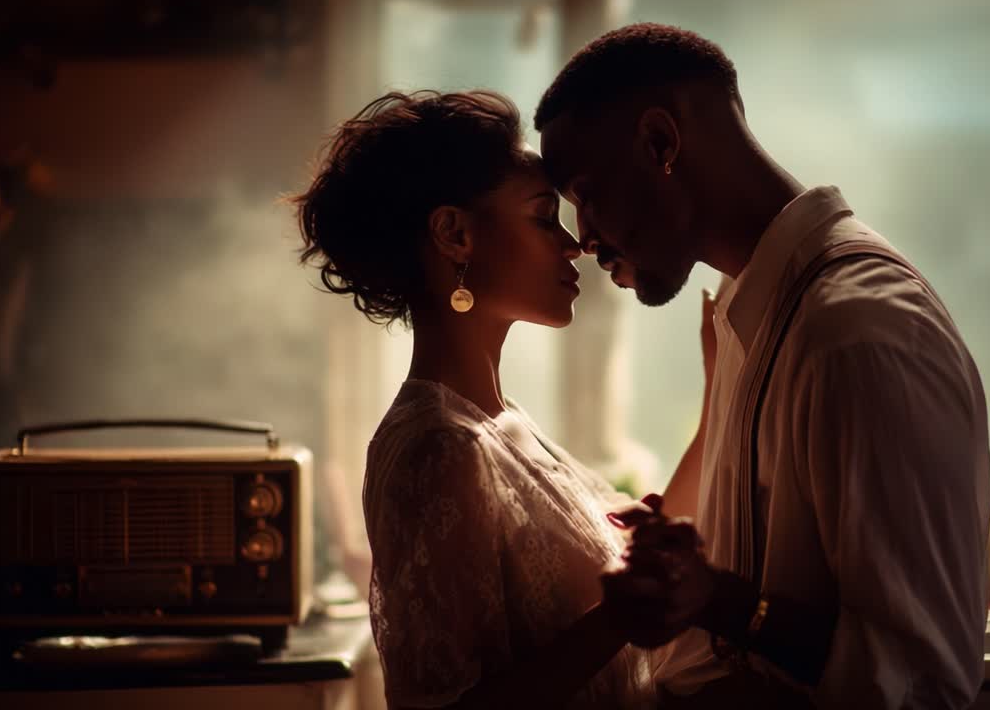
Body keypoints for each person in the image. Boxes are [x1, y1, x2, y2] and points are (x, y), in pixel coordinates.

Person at [536, 23, 990, 708]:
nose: (585, 239)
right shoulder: (748, 316)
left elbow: (914, 682)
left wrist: (716, 599)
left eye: (587, 194)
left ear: (661, 144)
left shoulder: (857, 335)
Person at [292, 89, 713, 709]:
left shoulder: (499, 420)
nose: (573, 245)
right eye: (545, 217)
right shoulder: (438, 448)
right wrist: (614, 625)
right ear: (455, 234)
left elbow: (627, 556)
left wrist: (716, 403)